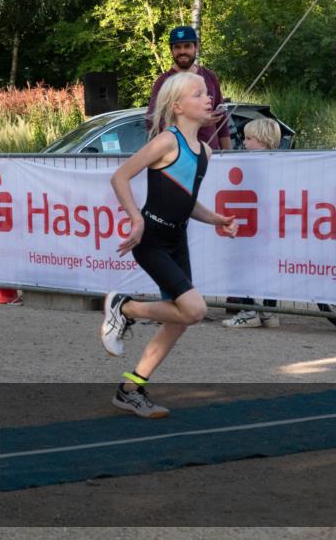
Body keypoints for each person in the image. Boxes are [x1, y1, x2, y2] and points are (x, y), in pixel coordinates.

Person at [102, 72, 239, 418]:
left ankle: (131, 389)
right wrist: (136, 218)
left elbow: (186, 201)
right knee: (195, 310)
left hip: (177, 242)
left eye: (207, 94)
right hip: (151, 241)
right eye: (198, 94)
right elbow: (120, 176)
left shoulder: (205, 151)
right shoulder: (166, 141)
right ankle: (125, 308)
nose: (208, 99)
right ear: (178, 106)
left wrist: (217, 219)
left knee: (179, 320)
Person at [222, 118, 282, 329]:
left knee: (246, 265)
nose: (244, 143)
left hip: (256, 225)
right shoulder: (278, 162)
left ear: (263, 140)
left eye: (248, 139)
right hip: (268, 224)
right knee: (266, 266)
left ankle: (250, 311)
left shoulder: (255, 166)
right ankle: (269, 312)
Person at [147, 26, 232, 150]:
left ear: (196, 47)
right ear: (171, 50)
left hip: (212, 157)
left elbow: (223, 124)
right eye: (177, 47)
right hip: (179, 158)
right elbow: (152, 122)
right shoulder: (164, 82)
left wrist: (228, 156)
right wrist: (199, 121)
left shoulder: (209, 76)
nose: (182, 51)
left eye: (187, 46)